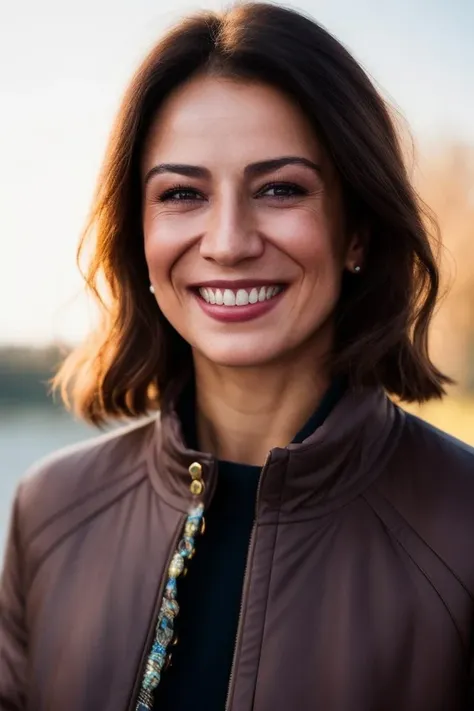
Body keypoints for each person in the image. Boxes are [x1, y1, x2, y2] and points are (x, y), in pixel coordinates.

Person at [1, 2, 474, 710]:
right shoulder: (49, 512)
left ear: (357, 233)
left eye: (280, 189)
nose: (227, 240)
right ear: (140, 235)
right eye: (183, 193)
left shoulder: (462, 527)